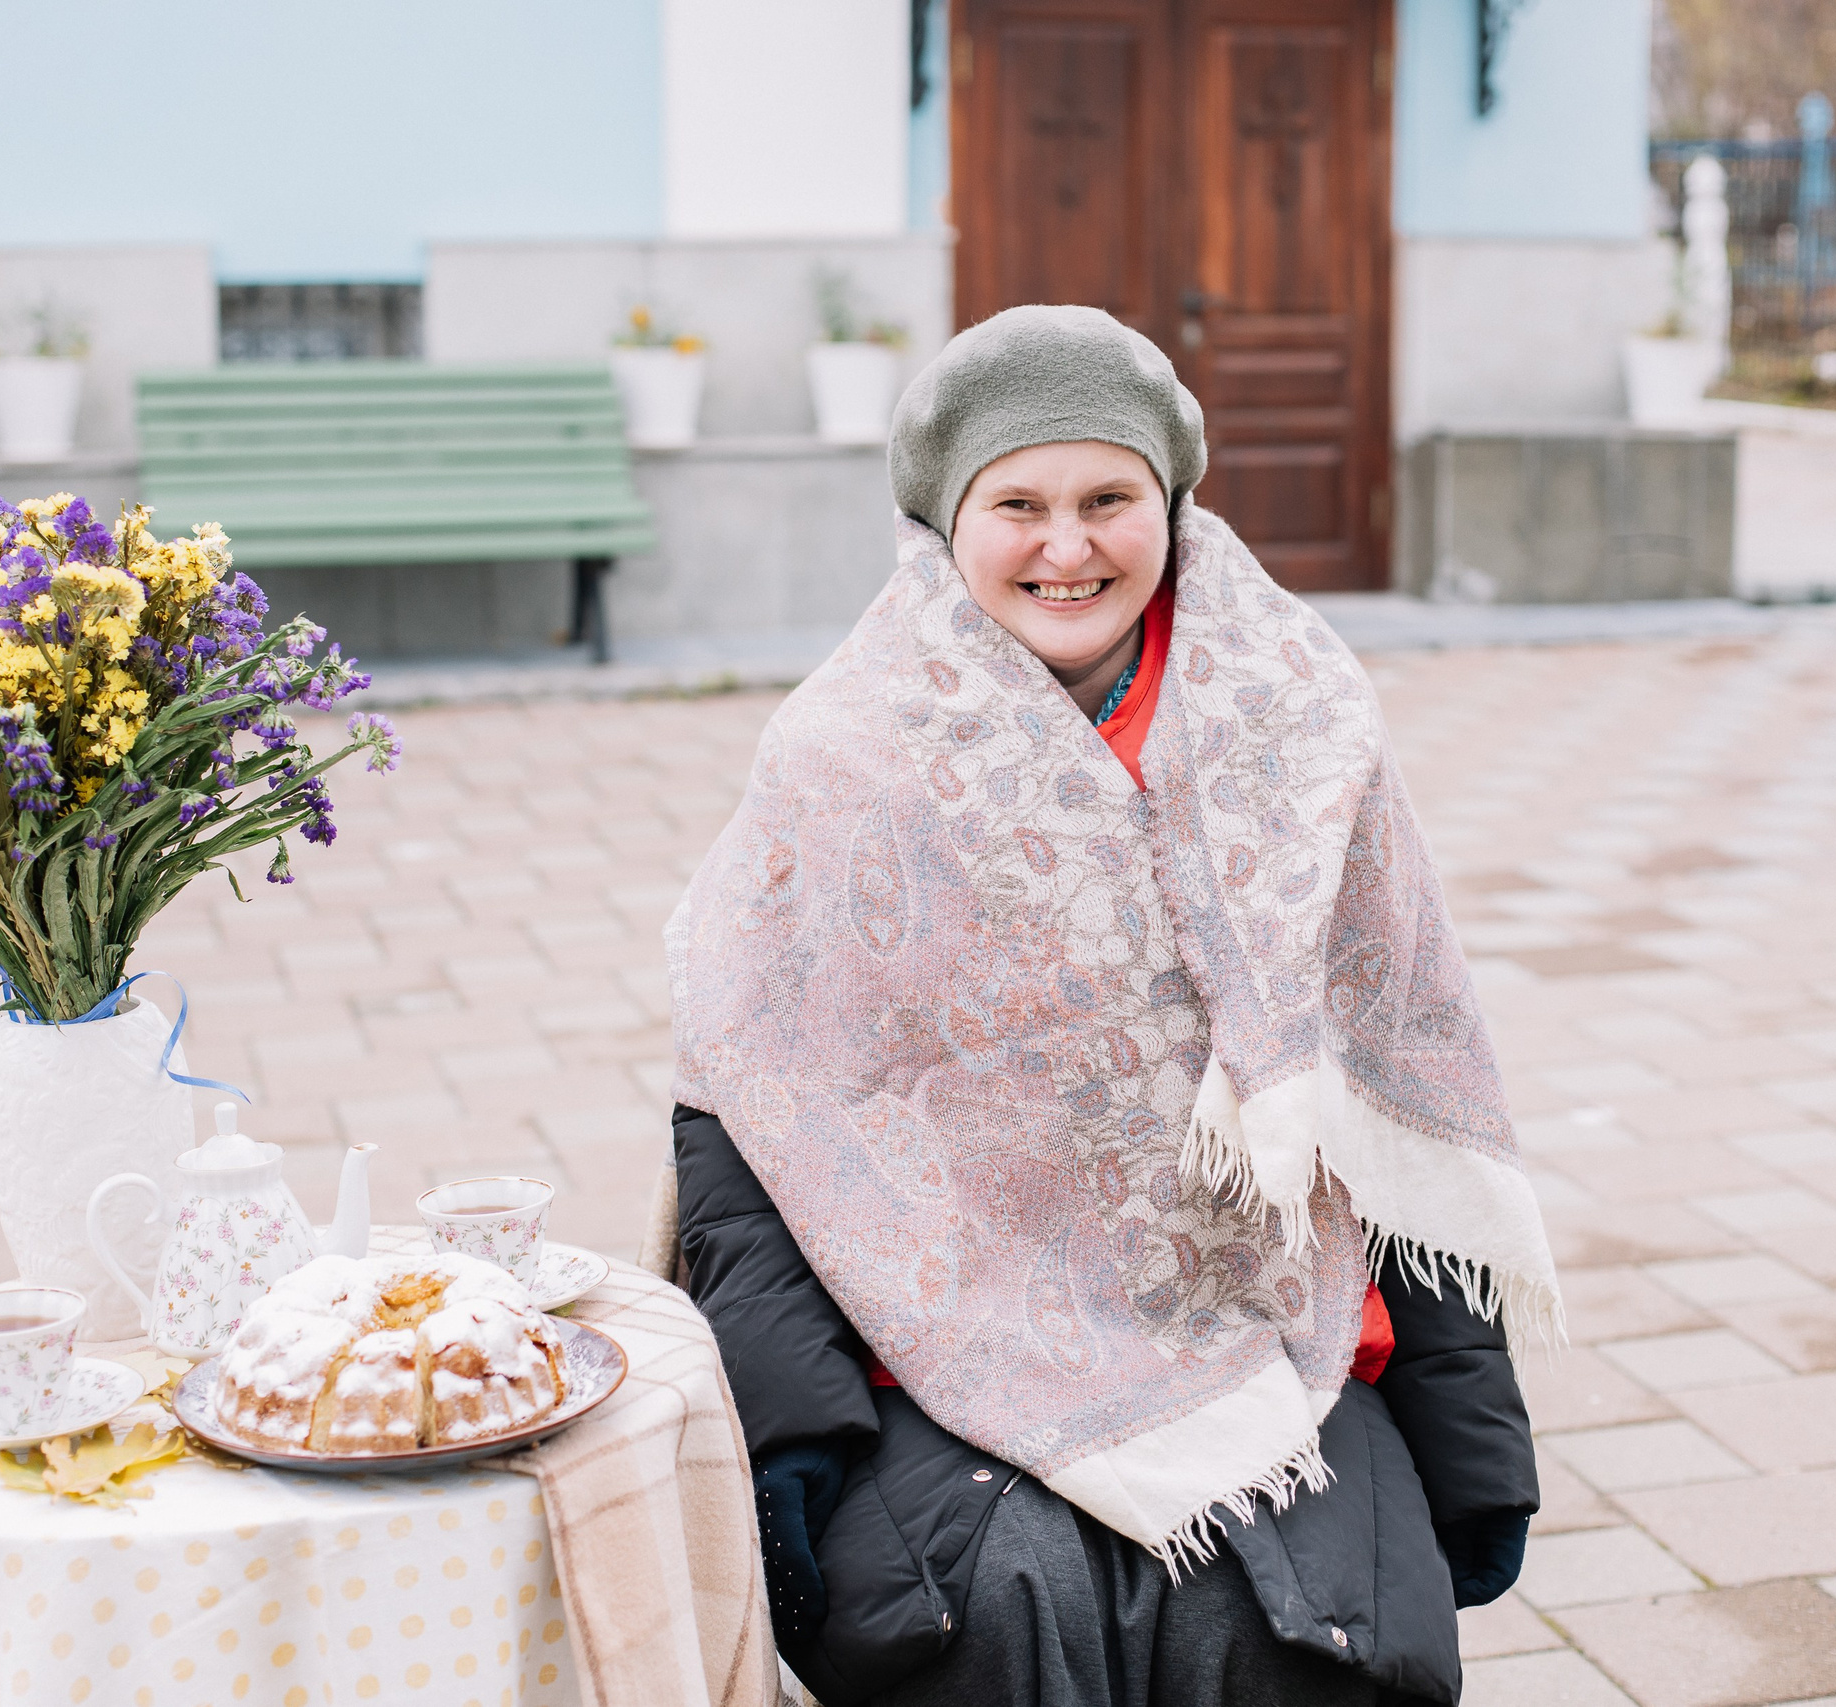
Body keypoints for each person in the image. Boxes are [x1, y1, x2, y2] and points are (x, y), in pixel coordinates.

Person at [662, 306, 1555, 1707]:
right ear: (944, 522)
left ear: (1172, 506)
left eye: (1107, 499)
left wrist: (1471, 1434)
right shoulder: (839, 755)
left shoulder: (1301, 722)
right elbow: (746, 1113)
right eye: (1017, 503)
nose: (1066, 547)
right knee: (1006, 1619)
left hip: (1273, 1321)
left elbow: (1391, 1068)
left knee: (1306, 1638)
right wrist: (795, 1444)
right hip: (930, 1339)